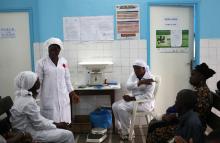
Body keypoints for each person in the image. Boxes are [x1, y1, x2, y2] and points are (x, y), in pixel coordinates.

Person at [146, 63, 216, 143]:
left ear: (201, 77)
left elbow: (195, 117)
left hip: (189, 128)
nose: (190, 77)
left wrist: (175, 116)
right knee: (154, 124)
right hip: (185, 122)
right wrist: (174, 115)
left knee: (155, 131)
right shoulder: (200, 90)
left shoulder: (203, 94)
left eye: (193, 75)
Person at [10, 71, 74, 143]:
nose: (39, 82)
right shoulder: (28, 102)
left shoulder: (20, 96)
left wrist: (54, 124)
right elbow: (39, 124)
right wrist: (57, 125)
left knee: (60, 131)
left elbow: (38, 121)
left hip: (24, 130)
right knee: (68, 135)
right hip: (29, 134)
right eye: (37, 81)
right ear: (31, 84)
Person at [36, 37, 80, 123]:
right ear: (48, 49)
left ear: (60, 50)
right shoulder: (41, 63)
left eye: (56, 49)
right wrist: (35, 99)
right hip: (49, 100)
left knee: (65, 124)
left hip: (63, 99)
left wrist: (73, 94)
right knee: (51, 126)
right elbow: (38, 83)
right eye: (51, 48)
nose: (53, 51)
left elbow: (67, 79)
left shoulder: (63, 62)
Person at [112, 59, 155, 140]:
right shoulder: (134, 74)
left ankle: (128, 133)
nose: (136, 70)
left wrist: (132, 98)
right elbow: (128, 86)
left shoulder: (150, 79)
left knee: (121, 107)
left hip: (145, 103)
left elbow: (148, 96)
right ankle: (123, 128)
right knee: (115, 105)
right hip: (134, 99)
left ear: (144, 68)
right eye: (134, 68)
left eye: (138, 68)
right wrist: (139, 83)